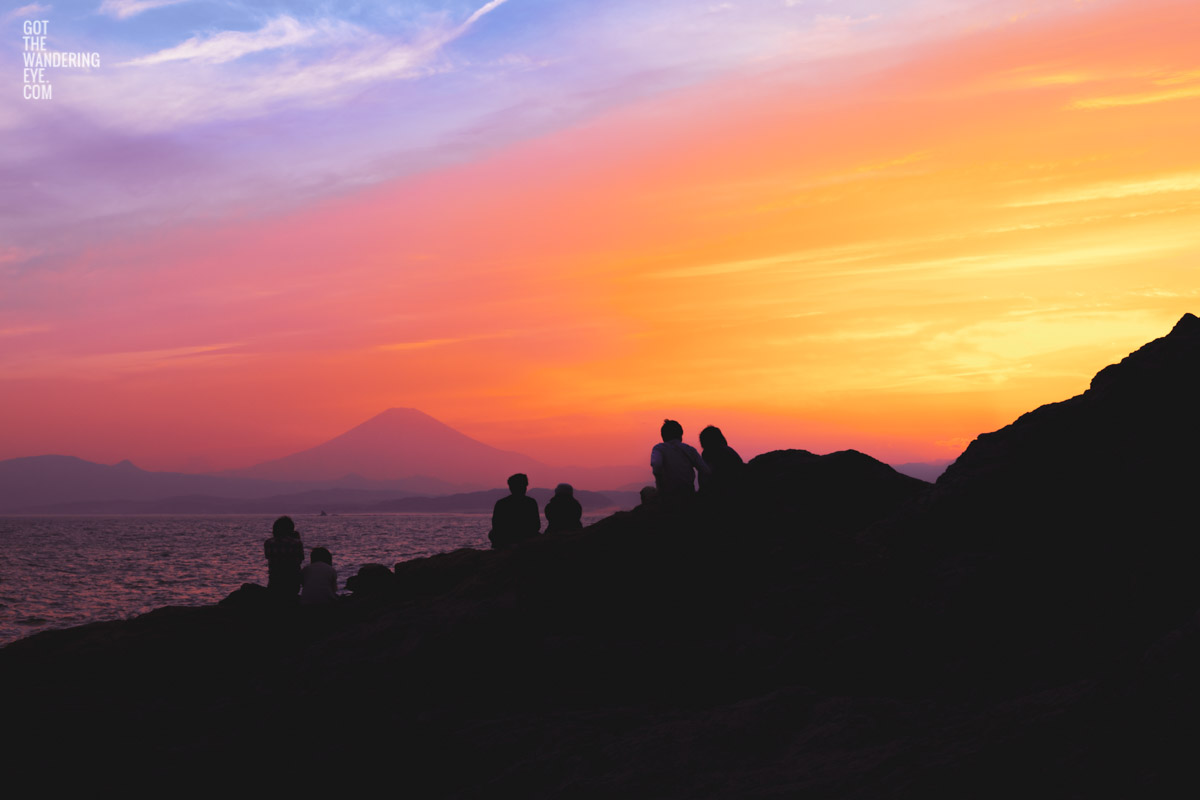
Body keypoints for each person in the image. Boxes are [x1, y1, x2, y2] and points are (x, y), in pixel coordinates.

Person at [650, 419, 710, 507]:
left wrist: (659, 481)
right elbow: (705, 470)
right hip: (688, 494)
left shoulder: (659, 448)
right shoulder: (689, 449)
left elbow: (656, 465)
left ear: (663, 436)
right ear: (681, 435)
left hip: (667, 496)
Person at [488, 473, 541, 549]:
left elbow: (496, 525)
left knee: (492, 534)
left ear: (510, 487)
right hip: (526, 537)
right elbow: (536, 526)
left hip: (507, 538)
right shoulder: (531, 502)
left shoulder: (501, 503)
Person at [698, 425, 746, 498]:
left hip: (721, 493)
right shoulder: (730, 451)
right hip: (738, 490)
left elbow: (707, 475)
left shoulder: (709, 453)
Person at [264, 515, 304, 597]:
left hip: (274, 582)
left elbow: (268, 557)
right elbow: (300, 560)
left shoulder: (269, 543)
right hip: (292, 583)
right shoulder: (296, 543)